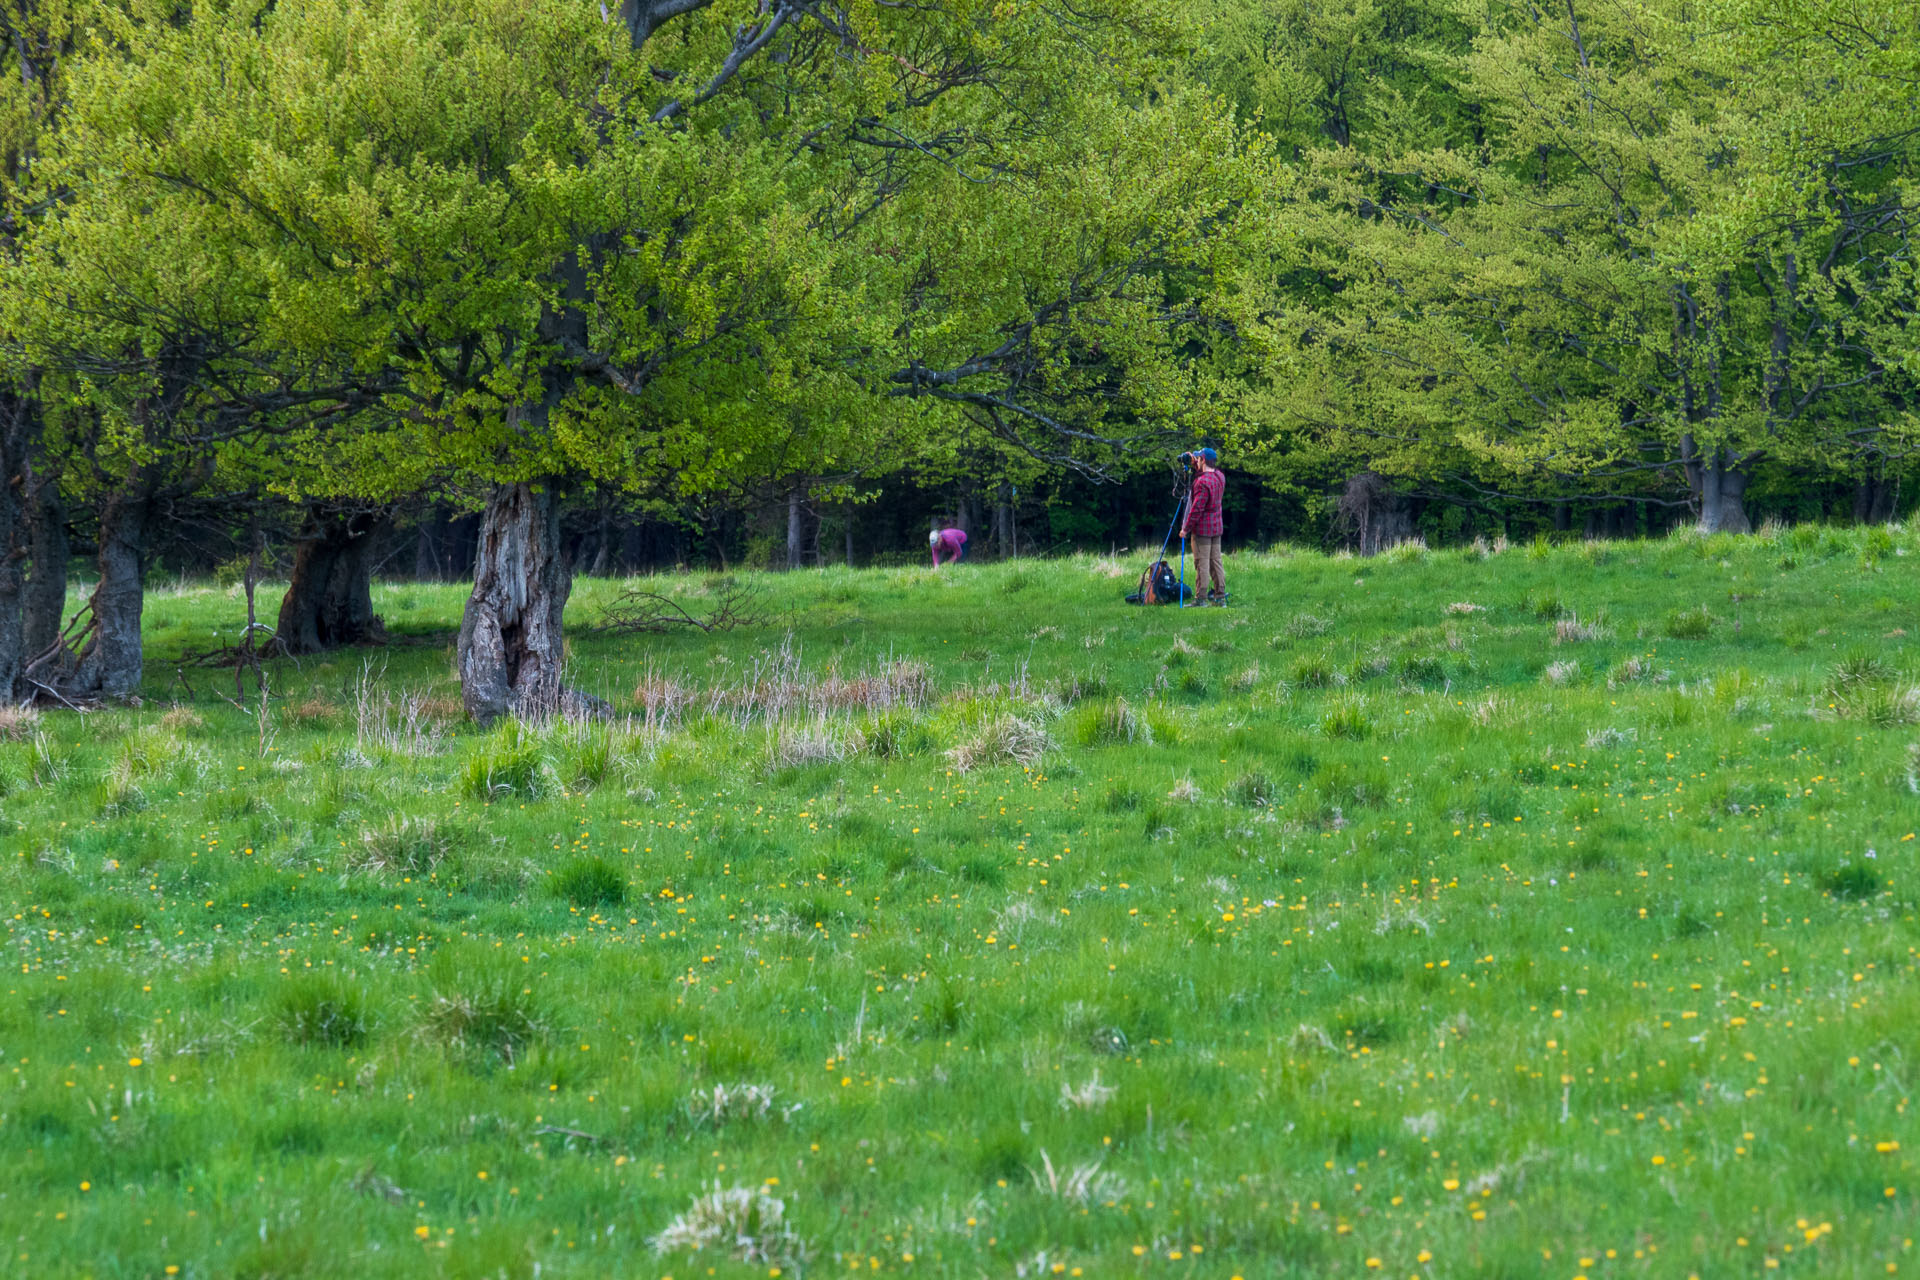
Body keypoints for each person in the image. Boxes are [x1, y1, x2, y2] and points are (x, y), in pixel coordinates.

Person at [1179, 448, 1226, 605]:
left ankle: (1201, 598)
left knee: (1202, 563)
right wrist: (1194, 466)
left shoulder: (1201, 483)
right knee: (1216, 562)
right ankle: (1220, 597)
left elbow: (1196, 509)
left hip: (1202, 530)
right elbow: (1205, 473)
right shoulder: (1219, 477)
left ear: (1203, 460)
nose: (1196, 460)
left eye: (1198, 458)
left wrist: (1185, 528)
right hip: (1216, 527)